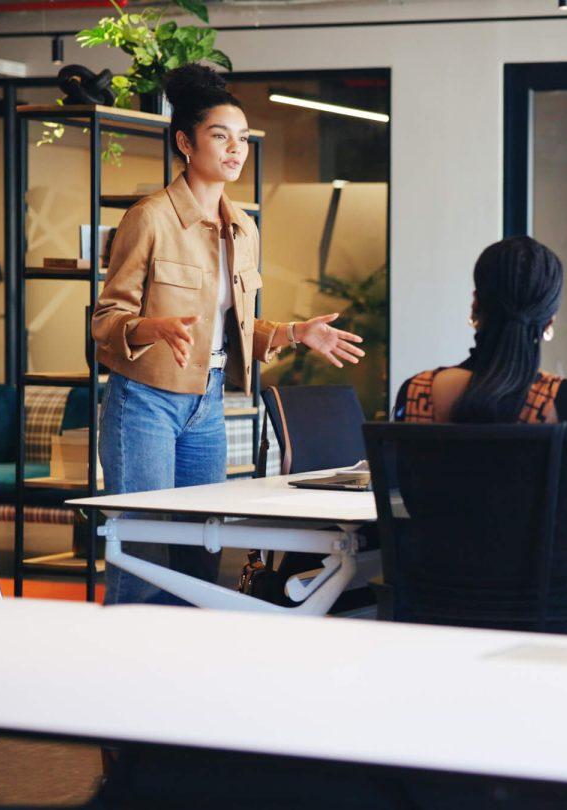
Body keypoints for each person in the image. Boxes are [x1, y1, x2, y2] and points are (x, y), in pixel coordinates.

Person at [92, 64, 363, 606]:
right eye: (221, 136)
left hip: (209, 403)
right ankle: (127, 651)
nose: (236, 149)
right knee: (145, 548)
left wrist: (294, 332)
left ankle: (189, 652)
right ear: (185, 143)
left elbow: (237, 328)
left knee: (203, 547)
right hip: (144, 401)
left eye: (241, 138)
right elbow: (105, 320)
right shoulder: (149, 217)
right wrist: (151, 327)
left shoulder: (243, 226)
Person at [393, 236, 567, 638]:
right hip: (554, 624)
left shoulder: (415, 392)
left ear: (475, 306)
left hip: (431, 620)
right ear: (550, 321)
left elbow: (412, 498)